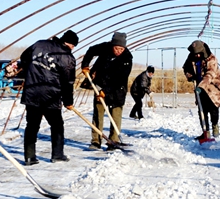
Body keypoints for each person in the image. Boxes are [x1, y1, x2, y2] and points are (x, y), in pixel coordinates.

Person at [18, 30, 78, 165]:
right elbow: (68, 82)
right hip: (51, 96)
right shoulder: (67, 57)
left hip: (32, 93)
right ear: (70, 44)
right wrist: (68, 101)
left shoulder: (39, 44)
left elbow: (24, 58)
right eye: (74, 46)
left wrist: (30, 74)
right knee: (57, 125)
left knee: (32, 125)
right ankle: (57, 155)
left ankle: (29, 157)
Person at [81, 32, 133, 150]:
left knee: (115, 115)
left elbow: (120, 78)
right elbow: (91, 50)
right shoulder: (105, 47)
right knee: (98, 114)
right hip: (100, 85)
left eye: (121, 48)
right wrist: (85, 65)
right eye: (117, 48)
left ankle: (113, 141)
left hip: (117, 89)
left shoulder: (127, 58)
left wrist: (107, 91)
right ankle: (96, 141)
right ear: (112, 45)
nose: (119, 51)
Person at [182, 40, 220, 140]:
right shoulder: (191, 57)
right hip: (199, 89)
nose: (197, 56)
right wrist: (189, 75)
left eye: (199, 54)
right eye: (195, 54)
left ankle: (215, 125)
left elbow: (210, 74)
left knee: (213, 108)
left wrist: (202, 85)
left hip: (212, 88)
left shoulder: (211, 59)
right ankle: (205, 133)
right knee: (202, 111)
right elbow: (186, 67)